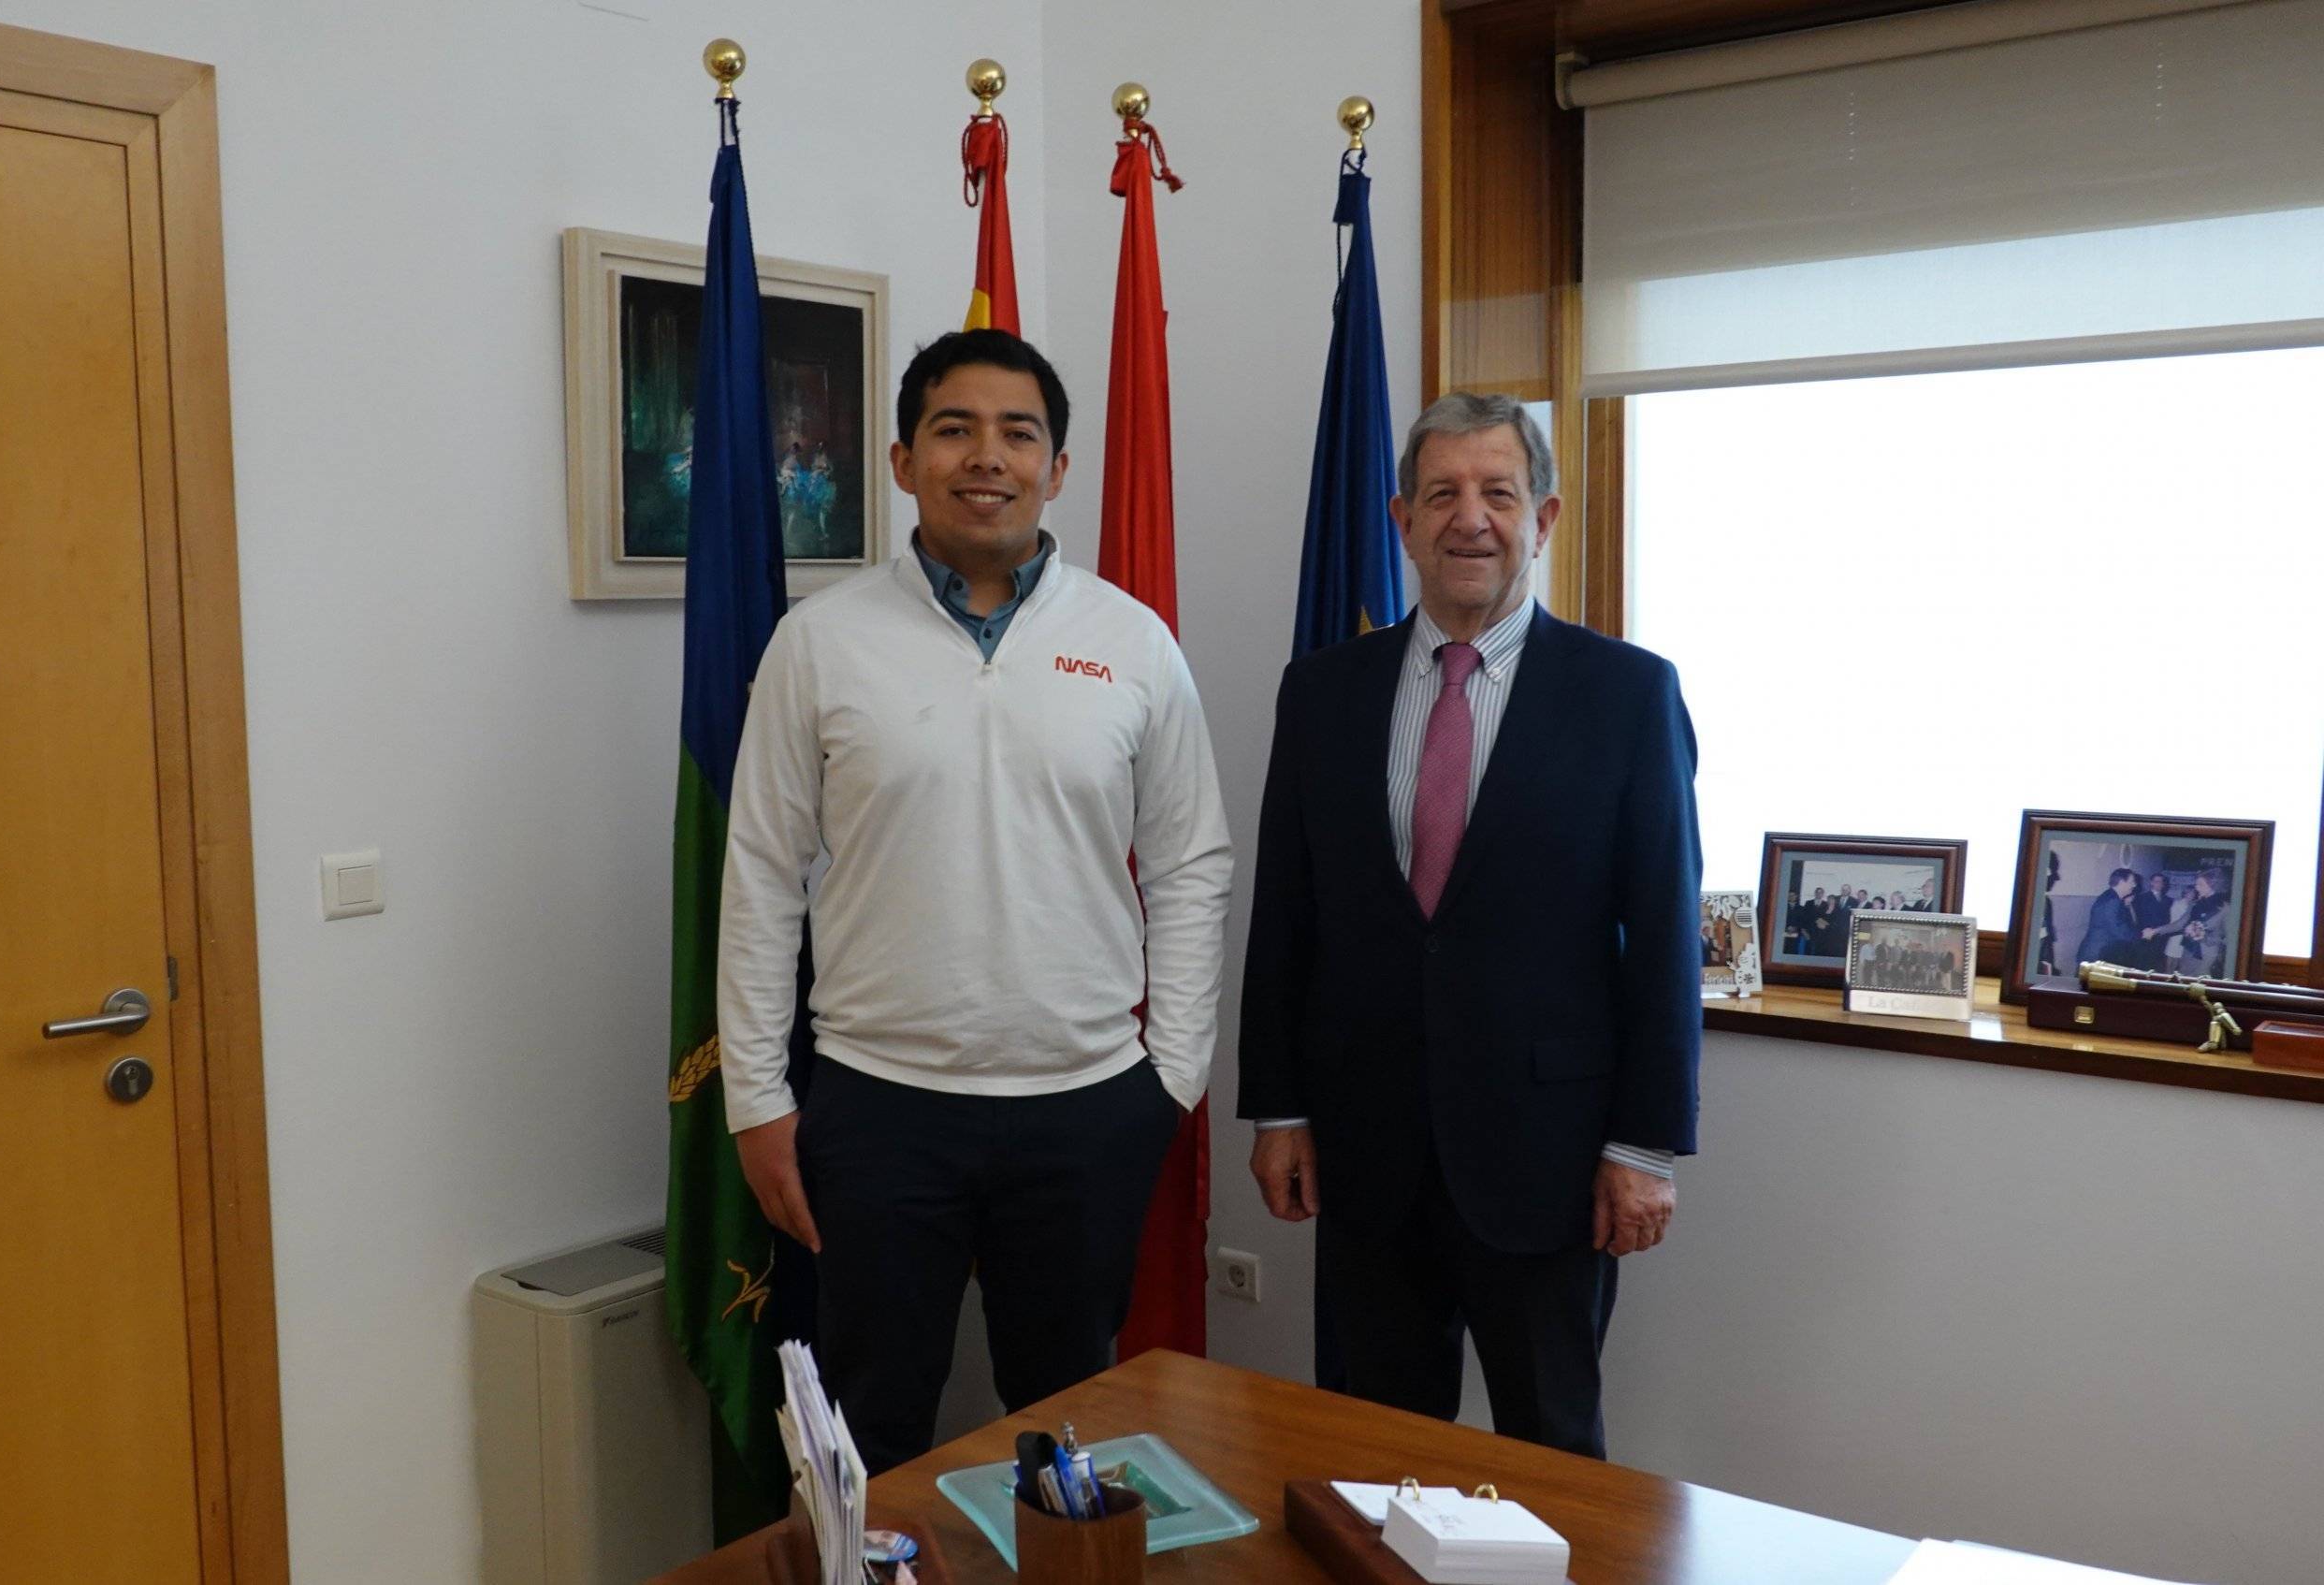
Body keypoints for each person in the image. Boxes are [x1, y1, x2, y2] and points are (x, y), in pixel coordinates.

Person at [714, 328, 1233, 1476]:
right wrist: (755, 1097)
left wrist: (1176, 1069)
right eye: (953, 429)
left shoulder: (1132, 643)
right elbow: (758, 875)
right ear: (902, 460)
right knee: (871, 1424)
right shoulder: (819, 644)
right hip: (879, 1107)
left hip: (1087, 1105)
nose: (984, 456)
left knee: (1065, 1435)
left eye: (1018, 432)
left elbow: (1192, 859)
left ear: (1058, 466)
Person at [1239, 393, 1699, 1458]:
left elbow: (1665, 937)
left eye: (1497, 492)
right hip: (1365, 1153)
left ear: (1541, 519)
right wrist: (1276, 1109)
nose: (1469, 518)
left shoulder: (1626, 695)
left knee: (1551, 1449)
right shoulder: (1319, 694)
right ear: (1401, 517)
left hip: (1549, 1160)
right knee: (1373, 1456)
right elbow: (1286, 917)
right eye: (1441, 493)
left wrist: (1642, 1143)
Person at [2076, 867, 2142, 968]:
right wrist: (2141, 935)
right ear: (2121, 882)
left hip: (2100, 952)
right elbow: (2118, 931)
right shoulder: (2112, 901)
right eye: (2132, 881)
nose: (2134, 885)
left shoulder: (2111, 897)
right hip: (2096, 954)